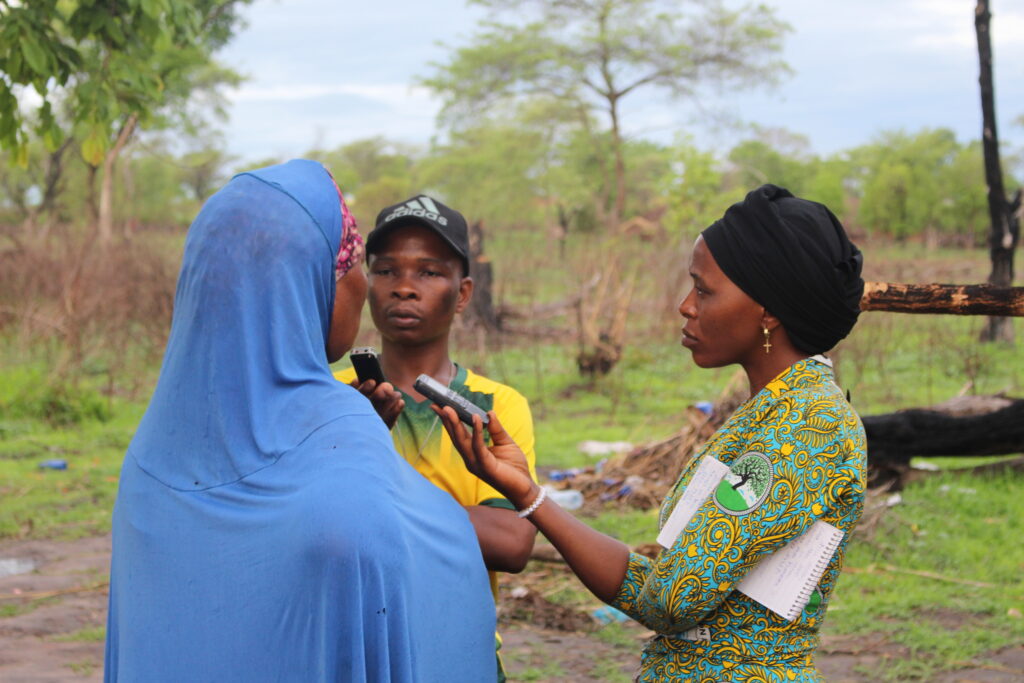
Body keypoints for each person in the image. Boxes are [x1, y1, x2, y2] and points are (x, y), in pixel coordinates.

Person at [434, 184, 867, 682]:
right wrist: (528, 494)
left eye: (704, 290)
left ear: (768, 308)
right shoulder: (769, 413)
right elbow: (666, 587)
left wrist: (534, 502)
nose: (685, 306)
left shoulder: (807, 429)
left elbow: (670, 600)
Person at [104, 161, 496, 682]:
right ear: (303, 283)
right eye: (356, 264)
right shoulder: (341, 428)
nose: (364, 283)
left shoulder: (151, 455)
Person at [334, 195, 538, 681]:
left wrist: (360, 483)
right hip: (350, 650)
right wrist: (359, 435)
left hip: (457, 649)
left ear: (463, 293)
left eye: (428, 273)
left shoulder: (495, 407)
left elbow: (511, 542)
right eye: (386, 271)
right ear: (365, 286)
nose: (404, 288)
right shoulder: (330, 397)